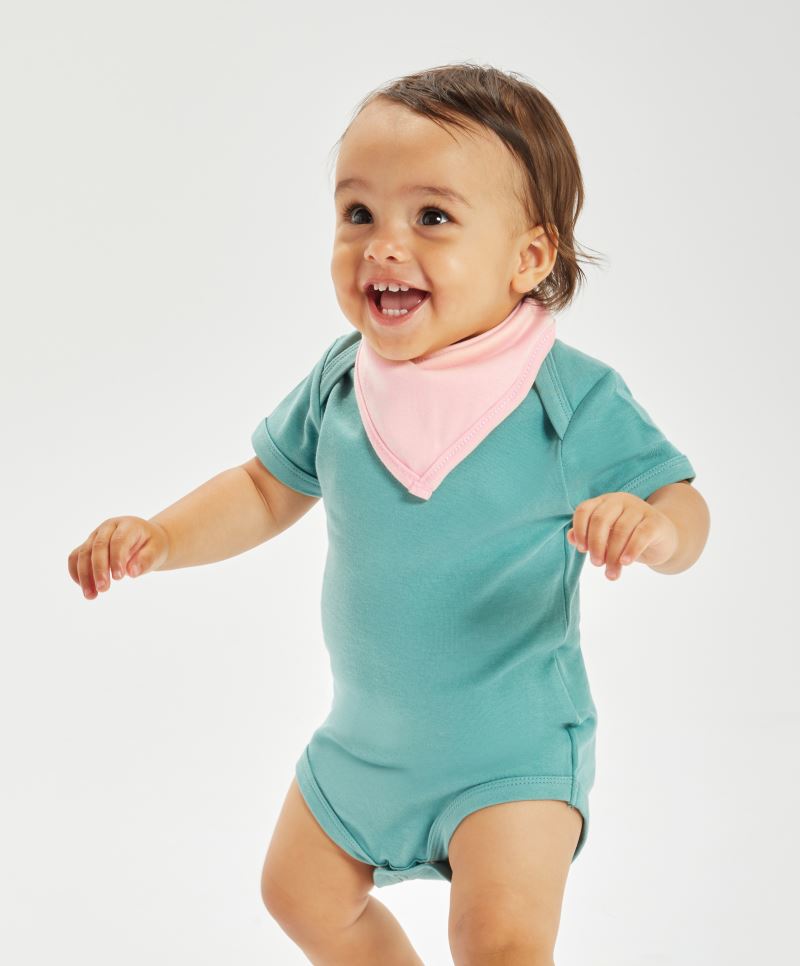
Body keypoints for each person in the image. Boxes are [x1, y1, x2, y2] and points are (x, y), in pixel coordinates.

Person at [67, 64, 711, 966]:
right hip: (368, 744)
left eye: (432, 217)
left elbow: (682, 501)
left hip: (514, 751)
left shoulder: (564, 397)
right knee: (297, 894)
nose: (382, 246)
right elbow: (264, 488)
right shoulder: (343, 380)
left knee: (499, 942)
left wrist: (658, 530)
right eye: (359, 213)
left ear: (529, 259)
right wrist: (162, 536)